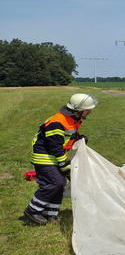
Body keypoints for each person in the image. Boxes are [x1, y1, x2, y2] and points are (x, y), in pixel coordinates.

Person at [23, 93, 99, 225]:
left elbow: (67, 137)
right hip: (45, 156)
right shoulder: (58, 122)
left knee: (60, 184)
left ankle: (50, 214)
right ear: (78, 110)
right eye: (87, 110)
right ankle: (33, 210)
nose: (90, 112)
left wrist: (79, 138)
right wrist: (64, 165)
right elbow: (55, 146)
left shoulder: (73, 119)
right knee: (54, 183)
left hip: (53, 155)